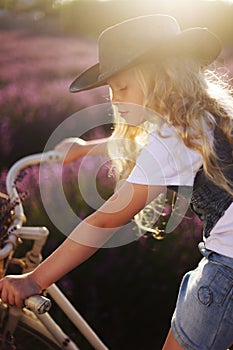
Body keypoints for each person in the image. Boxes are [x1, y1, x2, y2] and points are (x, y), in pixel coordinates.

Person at [0, 14, 232, 350]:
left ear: (163, 78)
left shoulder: (172, 137)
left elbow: (107, 219)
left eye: (122, 87)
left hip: (226, 270)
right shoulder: (201, 116)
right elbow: (147, 145)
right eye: (111, 90)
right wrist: (84, 150)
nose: (114, 100)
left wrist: (35, 279)